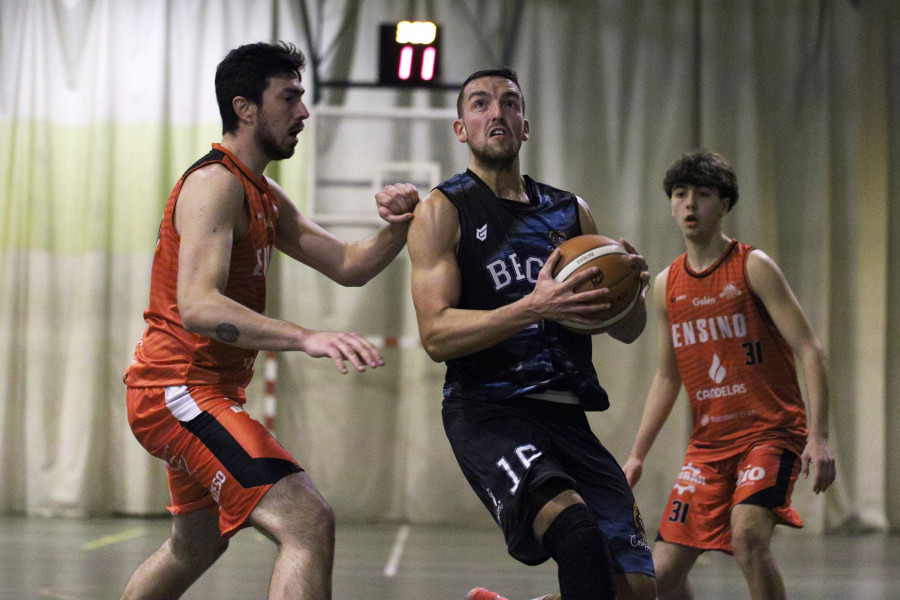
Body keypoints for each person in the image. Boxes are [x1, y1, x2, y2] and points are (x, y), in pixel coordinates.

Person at [120, 41, 419, 600]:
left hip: (197, 392)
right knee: (306, 521)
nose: (303, 112)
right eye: (290, 98)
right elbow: (199, 307)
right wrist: (306, 337)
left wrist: (399, 226)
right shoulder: (215, 183)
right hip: (178, 390)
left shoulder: (261, 191)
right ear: (246, 108)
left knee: (197, 544)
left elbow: (349, 266)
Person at [407, 67, 657, 600]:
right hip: (488, 410)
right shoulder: (443, 210)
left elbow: (628, 331)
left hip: (566, 412)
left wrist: (633, 289)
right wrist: (532, 306)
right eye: (479, 104)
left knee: (634, 588)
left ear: (526, 126)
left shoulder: (570, 212)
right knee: (576, 532)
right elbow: (435, 335)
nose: (495, 112)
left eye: (509, 103)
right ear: (460, 129)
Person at [622, 150, 836, 600]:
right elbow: (667, 376)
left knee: (747, 537)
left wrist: (818, 435)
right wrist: (637, 454)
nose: (690, 204)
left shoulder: (752, 266)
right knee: (660, 576)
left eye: (703, 194)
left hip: (770, 433)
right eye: (680, 194)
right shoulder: (666, 285)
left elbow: (810, 348)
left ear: (724, 203)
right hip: (709, 446)